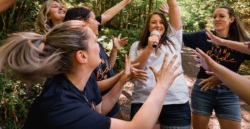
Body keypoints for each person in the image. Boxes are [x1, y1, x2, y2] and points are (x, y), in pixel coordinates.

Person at [0, 20, 183, 128]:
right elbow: (137, 127)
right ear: (82, 56)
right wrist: (162, 85)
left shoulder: (82, 80)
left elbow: (101, 109)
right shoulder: (60, 106)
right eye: (95, 41)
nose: (100, 46)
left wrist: (122, 80)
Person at [129, 0, 191, 129]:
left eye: (161, 22)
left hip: (175, 101)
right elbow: (135, 71)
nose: (158, 25)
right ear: (148, 26)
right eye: (154, 22)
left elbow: (173, 5)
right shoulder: (137, 45)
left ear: (166, 26)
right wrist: (149, 49)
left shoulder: (174, 39)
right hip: (144, 100)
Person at [63, 0, 136, 119]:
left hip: (106, 102)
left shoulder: (92, 43)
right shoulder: (75, 50)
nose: (98, 22)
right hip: (98, 104)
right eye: (93, 17)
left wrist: (114, 50)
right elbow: (92, 85)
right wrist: (121, 77)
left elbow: (106, 67)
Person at [183, 5, 250, 129]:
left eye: (221, 16)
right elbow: (176, 36)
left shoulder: (243, 42)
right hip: (203, 88)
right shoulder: (203, 36)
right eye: (214, 16)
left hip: (230, 91)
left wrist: (227, 79)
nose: (216, 19)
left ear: (231, 19)